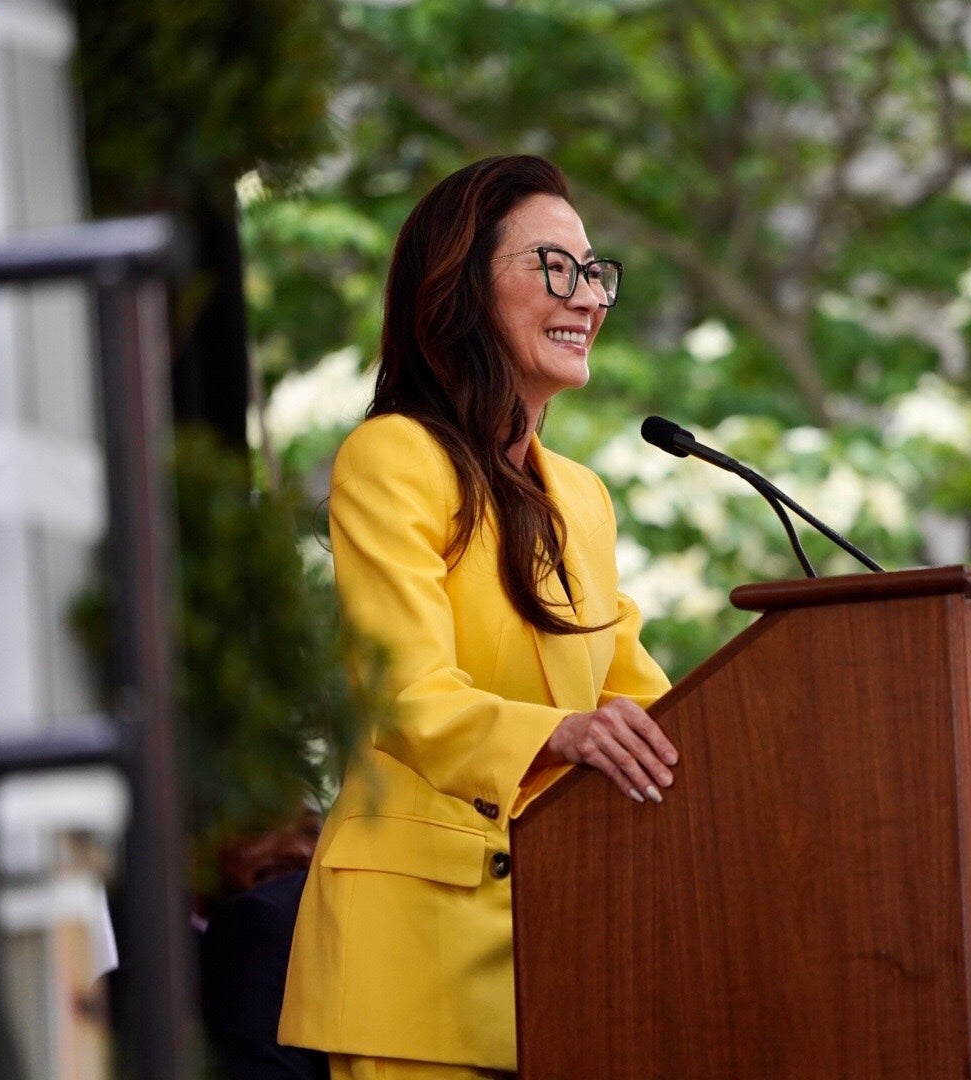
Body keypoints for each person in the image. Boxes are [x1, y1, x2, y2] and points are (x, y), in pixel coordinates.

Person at [278, 155, 679, 1079]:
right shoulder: (391, 459)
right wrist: (567, 735)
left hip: (568, 968)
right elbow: (409, 698)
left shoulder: (583, 498)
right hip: (414, 970)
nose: (587, 297)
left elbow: (643, 707)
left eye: (595, 272)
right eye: (554, 267)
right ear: (460, 287)